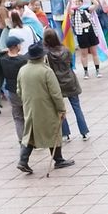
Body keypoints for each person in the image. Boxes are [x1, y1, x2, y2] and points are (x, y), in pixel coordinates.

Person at [15, 43, 75, 174]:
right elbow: (55, 93)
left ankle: (23, 160)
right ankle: (58, 159)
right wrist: (61, 109)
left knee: (30, 133)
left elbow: (19, 90)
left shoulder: (23, 70)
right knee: (53, 131)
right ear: (42, 56)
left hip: (29, 107)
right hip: (46, 107)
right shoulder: (46, 71)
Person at [42, 30, 89, 141]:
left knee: (60, 109)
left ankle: (65, 133)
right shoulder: (66, 50)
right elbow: (71, 64)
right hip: (70, 81)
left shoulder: (47, 54)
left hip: (57, 83)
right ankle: (84, 132)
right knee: (77, 107)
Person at [67, 0, 103, 79]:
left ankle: (97, 70)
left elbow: (96, 4)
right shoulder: (74, 12)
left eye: (79, 2)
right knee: (84, 53)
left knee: (94, 52)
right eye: (76, 2)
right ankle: (86, 71)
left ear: (82, 2)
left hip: (91, 31)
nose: (78, 3)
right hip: (81, 32)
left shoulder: (87, 9)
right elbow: (68, 11)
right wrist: (69, 2)